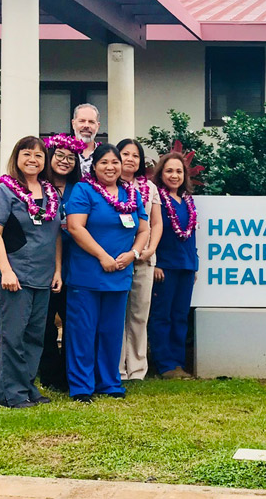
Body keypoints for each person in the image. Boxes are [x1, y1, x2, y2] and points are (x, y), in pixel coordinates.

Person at [65, 144, 149, 403]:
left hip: (120, 274)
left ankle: (109, 383)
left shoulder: (131, 194)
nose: (111, 167)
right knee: (83, 331)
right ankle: (81, 387)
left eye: (115, 162)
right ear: (94, 166)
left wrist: (133, 254)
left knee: (112, 332)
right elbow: (75, 227)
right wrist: (103, 256)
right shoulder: (84, 190)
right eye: (104, 162)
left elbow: (144, 230)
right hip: (87, 274)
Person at [0, 136, 62, 408]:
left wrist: (58, 271)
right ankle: (9, 395)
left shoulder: (51, 193)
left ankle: (28, 388)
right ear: (17, 157)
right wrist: (6, 271)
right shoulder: (4, 191)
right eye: (27, 154)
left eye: (39, 155)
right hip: (13, 275)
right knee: (13, 336)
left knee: (35, 335)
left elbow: (56, 237)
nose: (33, 159)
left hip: (42, 275)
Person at [37, 134, 85, 392]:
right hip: (45, 265)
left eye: (71, 157)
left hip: (76, 264)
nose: (65, 161)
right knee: (44, 323)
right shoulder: (38, 187)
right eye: (60, 155)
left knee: (72, 322)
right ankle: (49, 373)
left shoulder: (81, 188)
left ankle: (70, 374)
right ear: (49, 156)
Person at [148, 152, 199, 379]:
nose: (174, 175)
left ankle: (178, 362)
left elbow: (191, 235)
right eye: (169, 170)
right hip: (164, 267)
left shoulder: (188, 201)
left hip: (186, 267)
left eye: (179, 171)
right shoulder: (156, 199)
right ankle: (165, 365)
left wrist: (194, 265)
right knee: (162, 316)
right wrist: (154, 262)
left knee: (180, 316)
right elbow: (150, 231)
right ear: (161, 173)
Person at [116, 138, 163, 381]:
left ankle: (136, 369)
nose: (131, 159)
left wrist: (150, 248)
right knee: (116, 314)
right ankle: (118, 368)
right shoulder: (107, 186)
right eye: (125, 154)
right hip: (116, 260)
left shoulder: (150, 188)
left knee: (138, 314)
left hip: (144, 259)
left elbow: (156, 223)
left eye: (135, 155)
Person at [71, 103, 101, 175]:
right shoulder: (63, 152)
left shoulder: (104, 154)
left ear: (98, 126)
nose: (86, 126)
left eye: (91, 122)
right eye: (82, 121)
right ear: (73, 124)